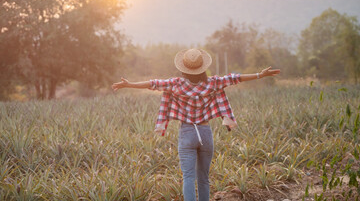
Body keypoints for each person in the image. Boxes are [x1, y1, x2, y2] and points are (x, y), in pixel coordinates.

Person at [112, 48, 280, 201]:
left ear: (183, 68)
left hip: (187, 133)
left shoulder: (175, 84)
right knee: (203, 178)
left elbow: (152, 84)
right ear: (203, 67)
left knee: (188, 177)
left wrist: (129, 84)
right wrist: (260, 75)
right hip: (205, 133)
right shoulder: (213, 83)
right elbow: (235, 78)